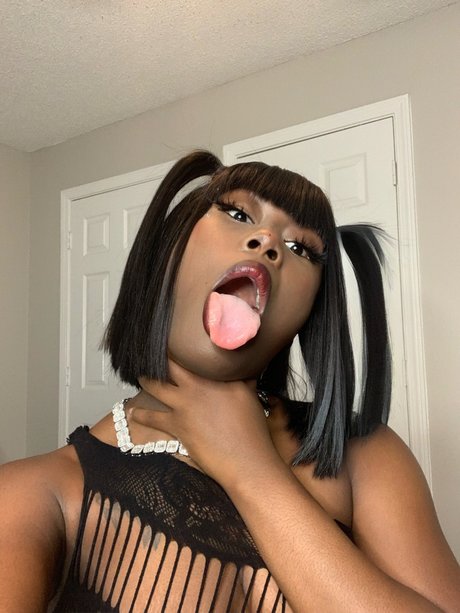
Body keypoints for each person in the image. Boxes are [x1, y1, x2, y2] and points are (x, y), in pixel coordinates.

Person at [0, 150, 459, 612]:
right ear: (167, 248)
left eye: (301, 249)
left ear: (310, 311)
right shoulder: (36, 491)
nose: (269, 242)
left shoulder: (364, 452)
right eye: (238, 214)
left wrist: (251, 468)